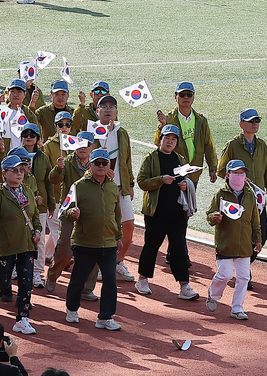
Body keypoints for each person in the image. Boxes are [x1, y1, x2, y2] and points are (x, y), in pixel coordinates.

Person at [61, 146, 123, 330]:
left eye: (105, 163)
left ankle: (105, 317)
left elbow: (116, 214)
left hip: (109, 243)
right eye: (98, 163)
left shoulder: (112, 186)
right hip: (84, 243)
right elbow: (63, 211)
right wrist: (72, 213)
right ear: (90, 165)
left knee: (110, 282)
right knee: (78, 279)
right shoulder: (78, 186)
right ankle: (72, 309)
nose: (102, 166)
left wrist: (118, 235)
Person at [134, 125, 197, 300]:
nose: (170, 142)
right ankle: (142, 279)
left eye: (173, 139)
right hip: (156, 212)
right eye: (167, 138)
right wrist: (160, 180)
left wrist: (185, 185)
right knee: (152, 246)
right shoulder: (151, 158)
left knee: (178, 248)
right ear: (160, 139)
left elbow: (186, 179)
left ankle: (184, 285)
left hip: (177, 213)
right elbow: (142, 182)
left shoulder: (180, 158)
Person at [0, 153, 43, 334]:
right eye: (14, 170)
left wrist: (38, 231)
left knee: (26, 282)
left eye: (21, 170)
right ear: (4, 173)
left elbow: (35, 216)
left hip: (27, 245)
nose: (19, 173)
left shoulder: (27, 191)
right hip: (7, 245)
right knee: (2, 280)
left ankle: (22, 319)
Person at [205, 159, 262, 319]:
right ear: (228, 175)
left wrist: (257, 238)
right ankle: (213, 294)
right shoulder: (221, 194)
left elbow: (255, 220)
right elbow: (209, 215)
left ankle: (237, 308)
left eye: (242, 173)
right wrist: (214, 218)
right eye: (236, 173)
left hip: (244, 245)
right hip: (226, 244)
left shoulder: (250, 195)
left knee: (244, 277)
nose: (239, 176)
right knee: (225, 275)